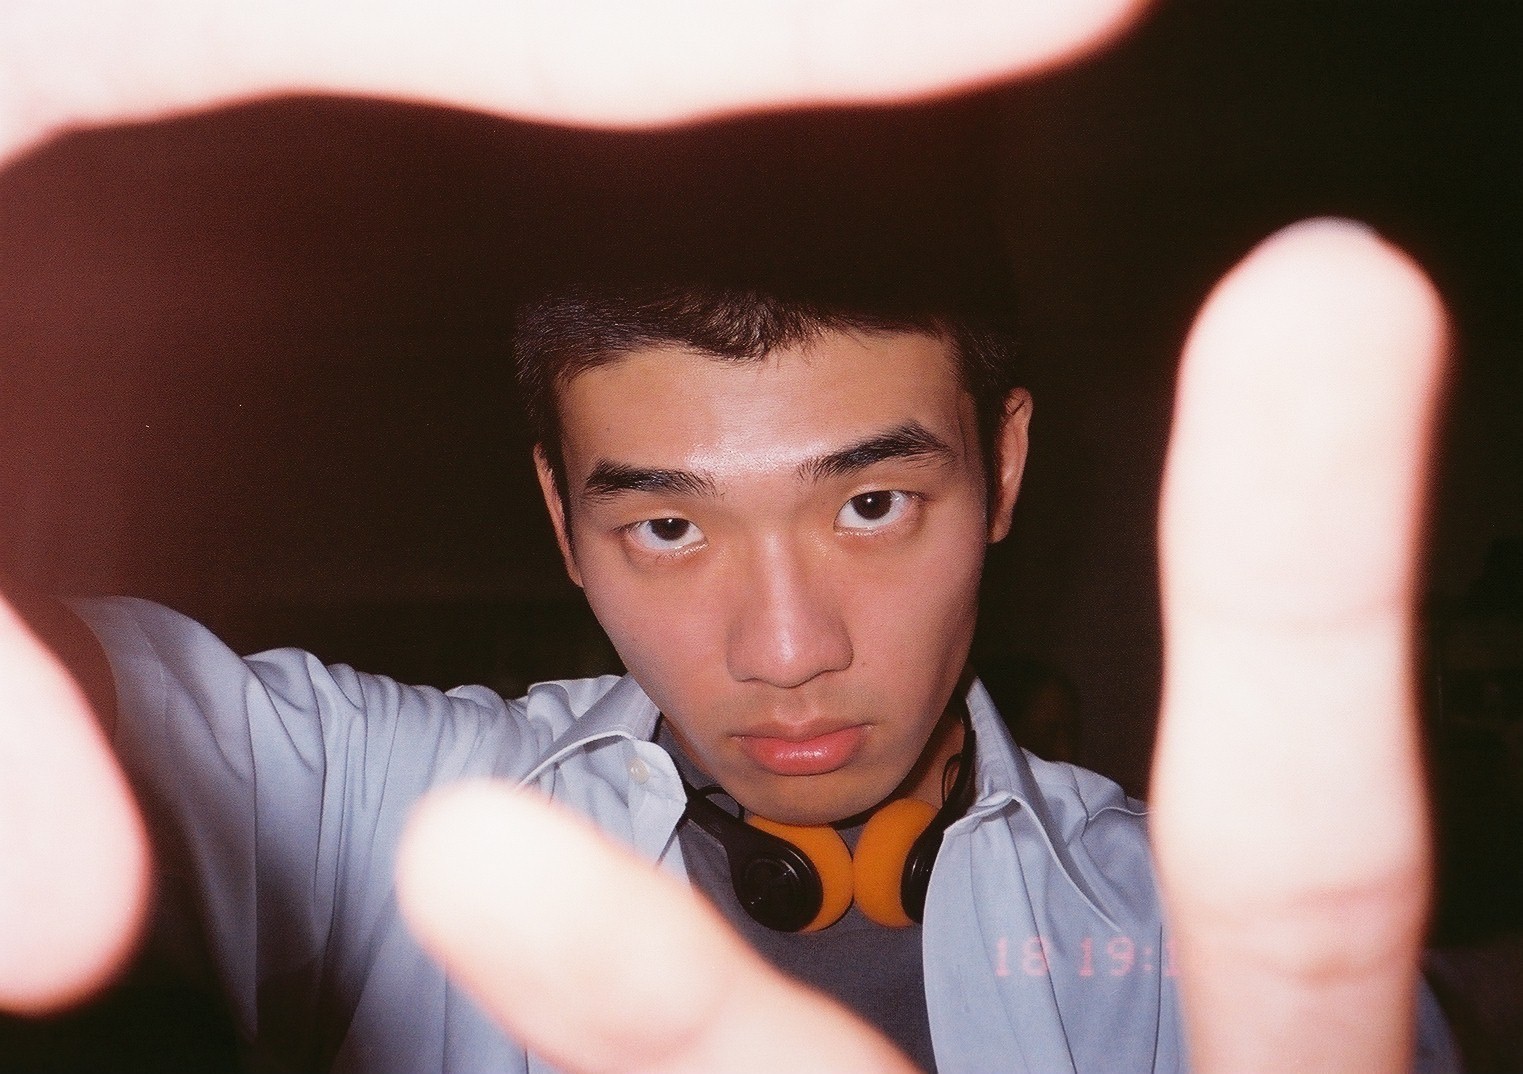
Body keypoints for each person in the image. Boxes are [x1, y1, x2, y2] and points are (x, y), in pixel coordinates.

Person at [0, 2, 1453, 1071]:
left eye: (871, 504)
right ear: (561, 521)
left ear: (1004, 468)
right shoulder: (368, 816)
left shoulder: (1218, 954)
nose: (787, 650)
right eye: (668, 524)